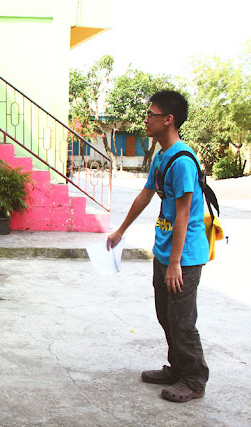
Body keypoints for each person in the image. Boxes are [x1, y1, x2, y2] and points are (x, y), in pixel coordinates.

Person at [106, 90, 210, 403]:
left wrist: (175, 262)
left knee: (182, 322)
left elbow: (183, 215)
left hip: (185, 257)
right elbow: (145, 194)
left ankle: (194, 379)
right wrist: (121, 230)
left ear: (168, 119)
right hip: (165, 251)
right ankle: (177, 368)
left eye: (151, 114)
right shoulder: (162, 156)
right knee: (166, 316)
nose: (146, 120)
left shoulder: (182, 161)